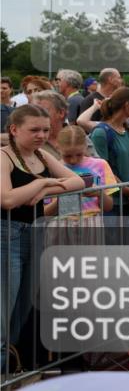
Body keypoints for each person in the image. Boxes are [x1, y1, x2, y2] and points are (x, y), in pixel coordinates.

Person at [1, 105, 85, 369]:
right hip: (7, 237)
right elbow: (8, 199)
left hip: (34, 235)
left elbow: (80, 181)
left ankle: (8, 369)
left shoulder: (42, 156)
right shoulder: (4, 157)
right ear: (14, 130)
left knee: (21, 310)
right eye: (34, 129)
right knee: (4, 312)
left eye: (46, 130)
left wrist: (50, 184)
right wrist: (41, 184)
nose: (41, 135)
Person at [84, 86, 129, 213]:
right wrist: (125, 189)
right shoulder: (101, 133)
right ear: (126, 105)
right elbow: (102, 168)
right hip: (112, 202)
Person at [48, 125, 118, 216]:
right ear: (58, 148)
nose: (73, 160)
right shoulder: (52, 169)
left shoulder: (100, 165)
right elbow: (45, 212)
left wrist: (99, 193)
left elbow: (109, 206)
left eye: (79, 154)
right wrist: (59, 201)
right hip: (62, 224)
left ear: (86, 146)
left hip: (93, 222)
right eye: (67, 156)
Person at [77, 68, 124, 132]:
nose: (121, 81)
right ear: (111, 79)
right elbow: (83, 126)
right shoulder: (91, 100)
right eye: (119, 78)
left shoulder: (115, 99)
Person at [31, 90, 69, 158]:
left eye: (43, 111)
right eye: (33, 112)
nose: (36, 116)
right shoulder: (29, 142)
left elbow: (93, 166)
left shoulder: (78, 137)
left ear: (61, 113)